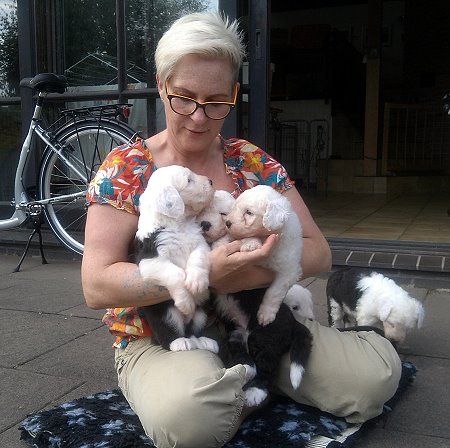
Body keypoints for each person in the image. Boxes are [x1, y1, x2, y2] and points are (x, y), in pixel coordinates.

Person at [82, 11, 402, 448]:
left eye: (216, 101)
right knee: (190, 420)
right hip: (163, 335)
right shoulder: (127, 168)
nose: (199, 117)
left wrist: (246, 274)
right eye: (184, 98)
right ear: (161, 84)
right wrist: (205, 276)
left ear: (234, 94)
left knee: (376, 379)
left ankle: (250, 378)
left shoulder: (251, 162)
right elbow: (96, 284)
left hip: (257, 321)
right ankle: (241, 384)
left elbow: (317, 252)